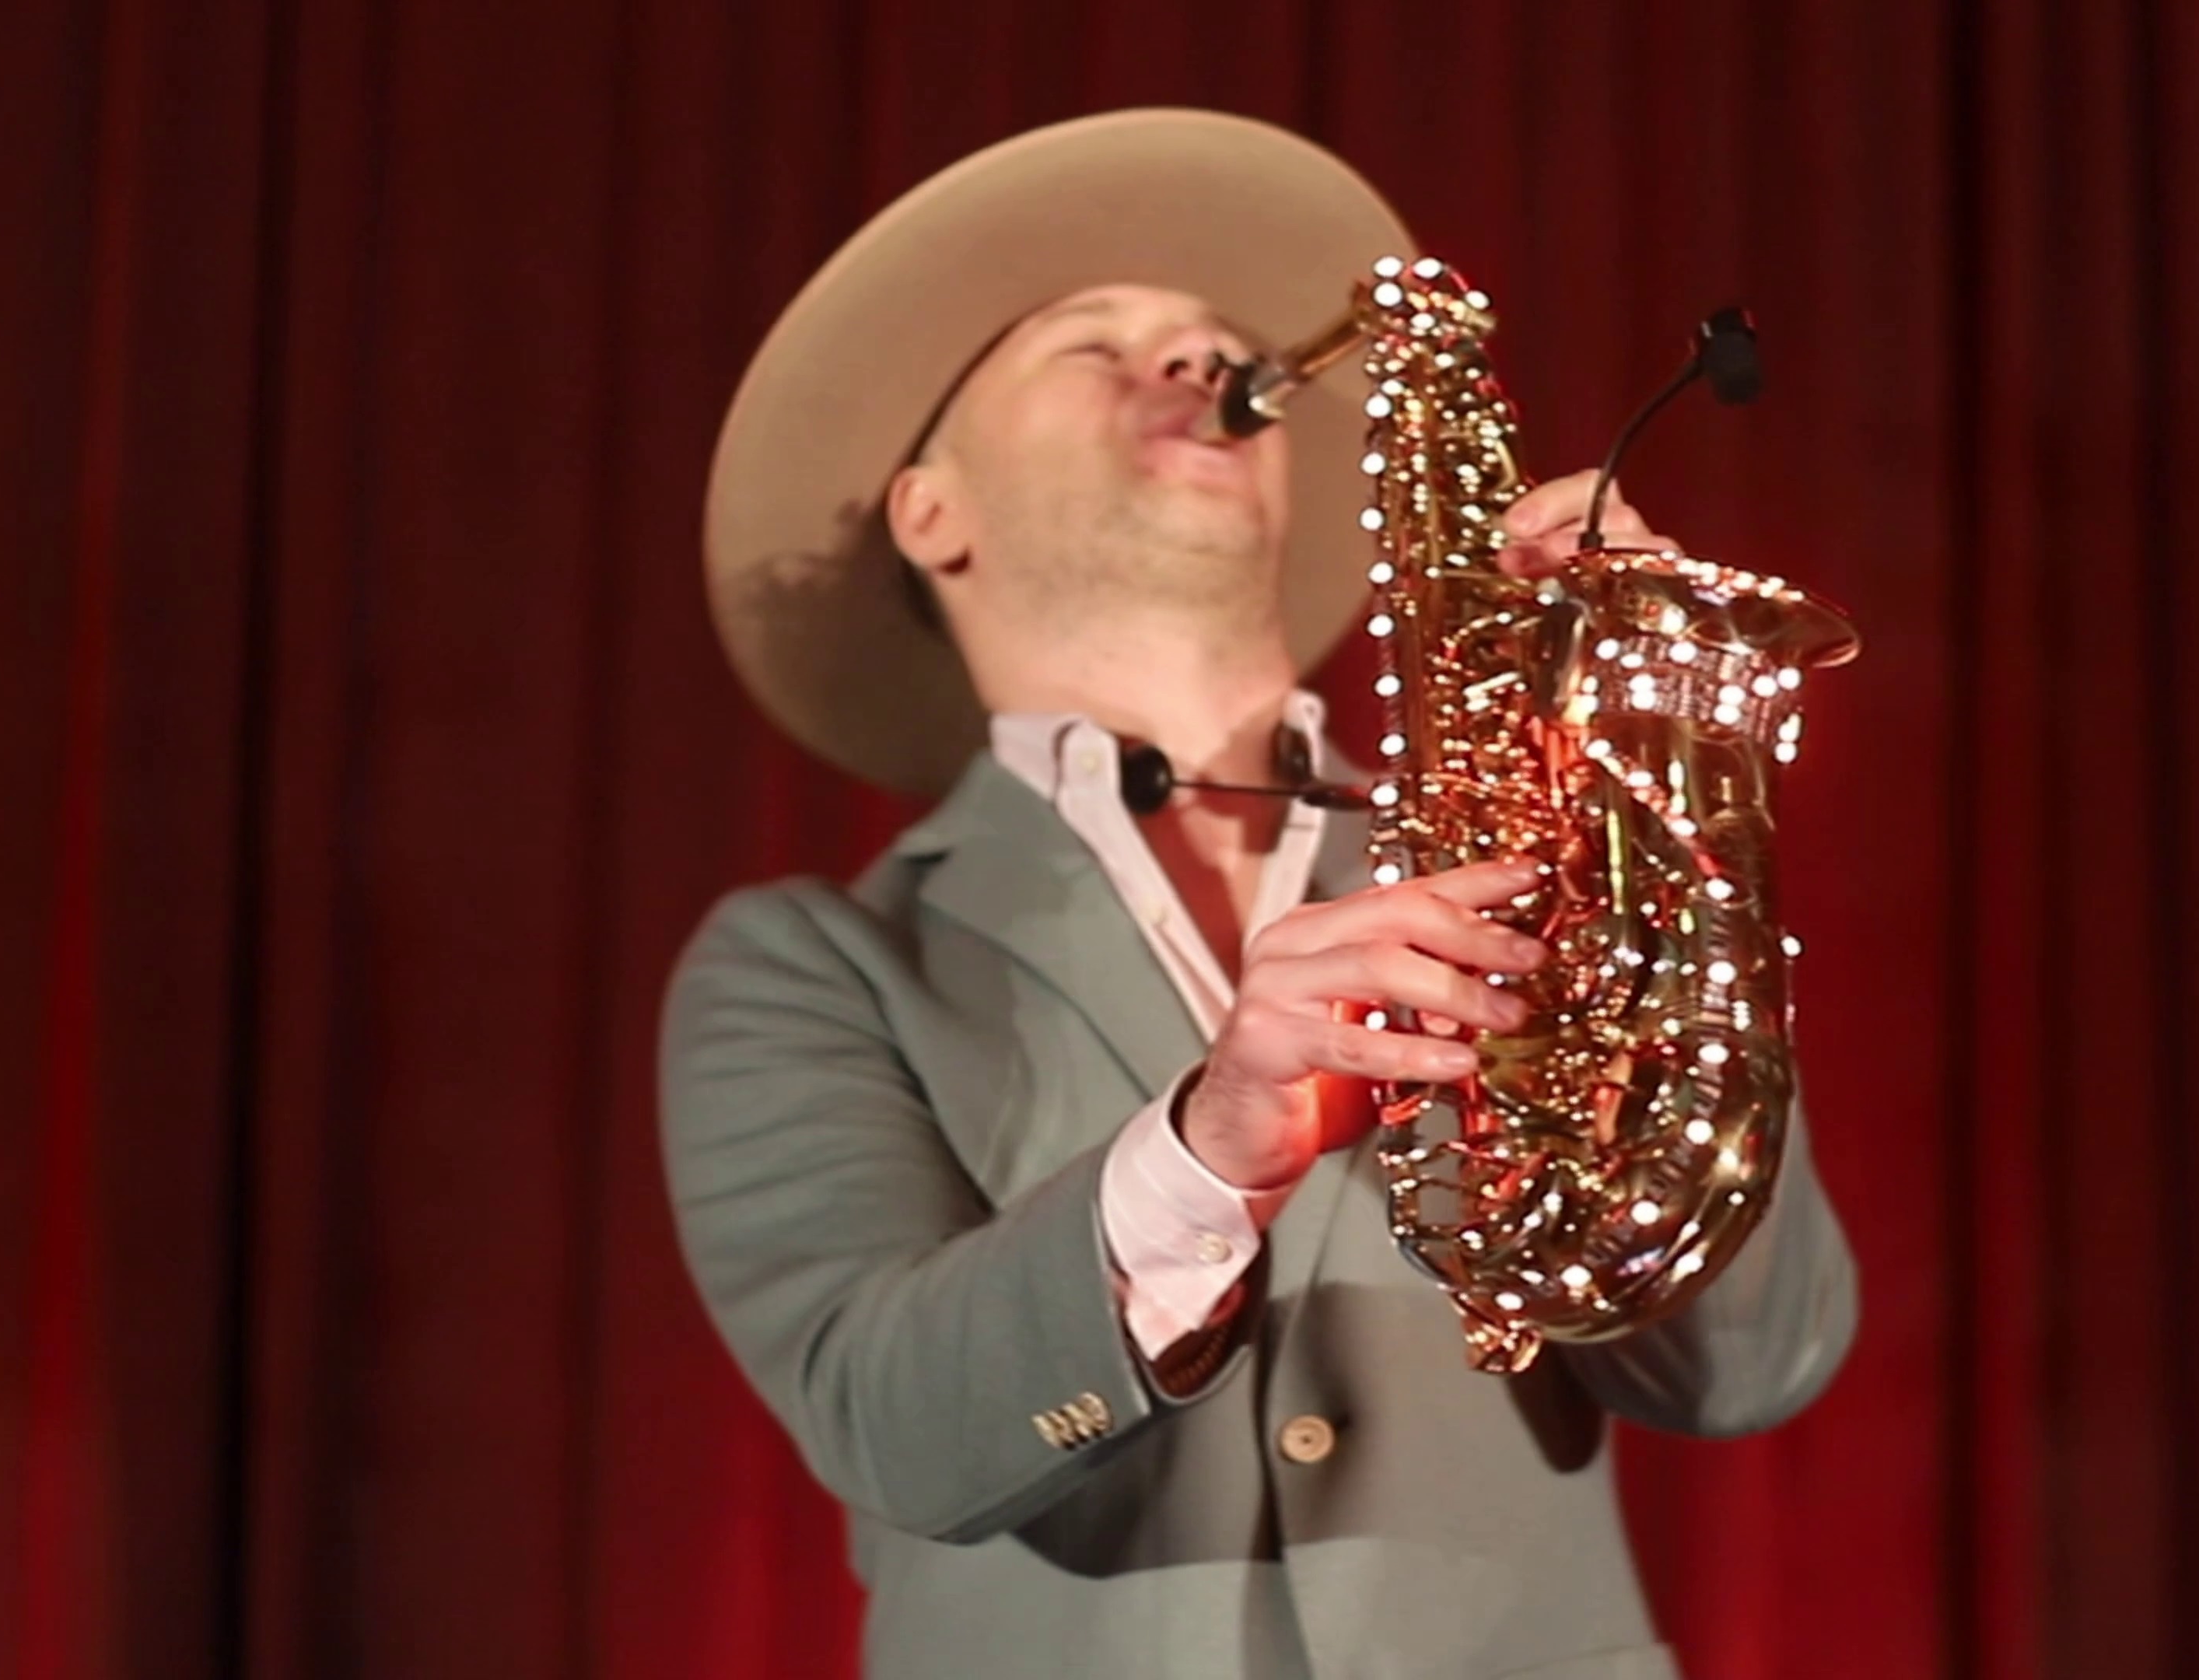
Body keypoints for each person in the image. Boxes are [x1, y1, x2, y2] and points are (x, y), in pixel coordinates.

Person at [662, 107, 1860, 1680]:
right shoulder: (810, 962)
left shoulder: (1535, 862)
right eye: (1092, 343)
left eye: (1217, 342)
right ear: (929, 511)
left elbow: (1752, 1368)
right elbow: (892, 1425)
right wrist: (1207, 1151)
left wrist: (1628, 813)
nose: (1195, 357)